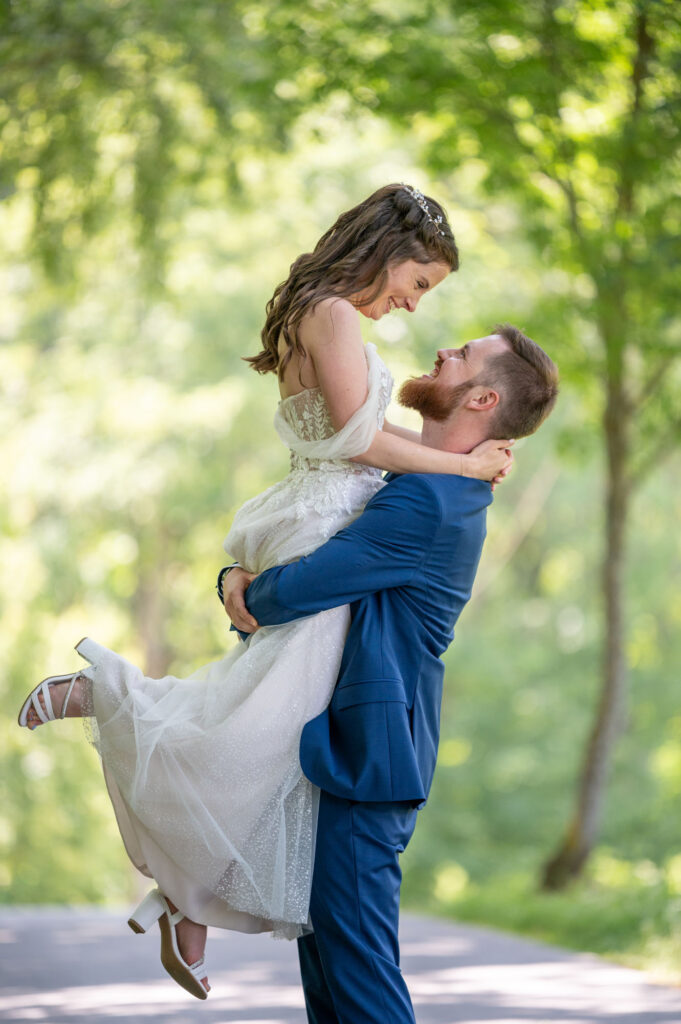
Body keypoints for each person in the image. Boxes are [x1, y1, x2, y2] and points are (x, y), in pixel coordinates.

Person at [16, 184, 513, 1000]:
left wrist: (452, 466)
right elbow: (358, 438)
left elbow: (360, 431)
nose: (414, 303)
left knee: (268, 722)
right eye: (418, 282)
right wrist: (462, 463)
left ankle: (189, 894)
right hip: (322, 518)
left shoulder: (316, 313)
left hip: (312, 511)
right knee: (258, 723)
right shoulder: (335, 315)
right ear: (389, 250)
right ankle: (112, 703)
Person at [223, 324, 559, 1024]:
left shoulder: (428, 502)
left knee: (361, 984)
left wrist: (236, 583)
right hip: (353, 753)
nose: (443, 352)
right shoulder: (425, 485)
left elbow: (292, 592)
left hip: (368, 757)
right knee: (333, 983)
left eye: (462, 355)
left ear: (483, 399)